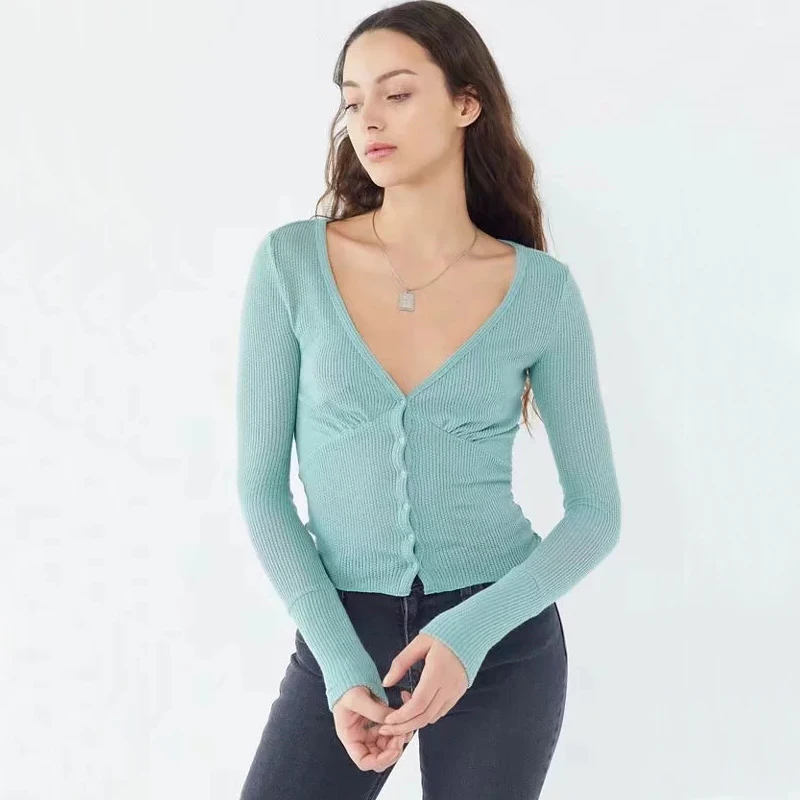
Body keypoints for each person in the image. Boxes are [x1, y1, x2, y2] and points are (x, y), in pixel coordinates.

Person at [235, 2, 621, 797]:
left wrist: (470, 635)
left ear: (465, 103)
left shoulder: (540, 290)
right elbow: (262, 490)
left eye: (398, 93)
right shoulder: (291, 266)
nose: (368, 119)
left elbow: (595, 514)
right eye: (353, 100)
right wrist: (341, 666)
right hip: (343, 631)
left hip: (500, 638)